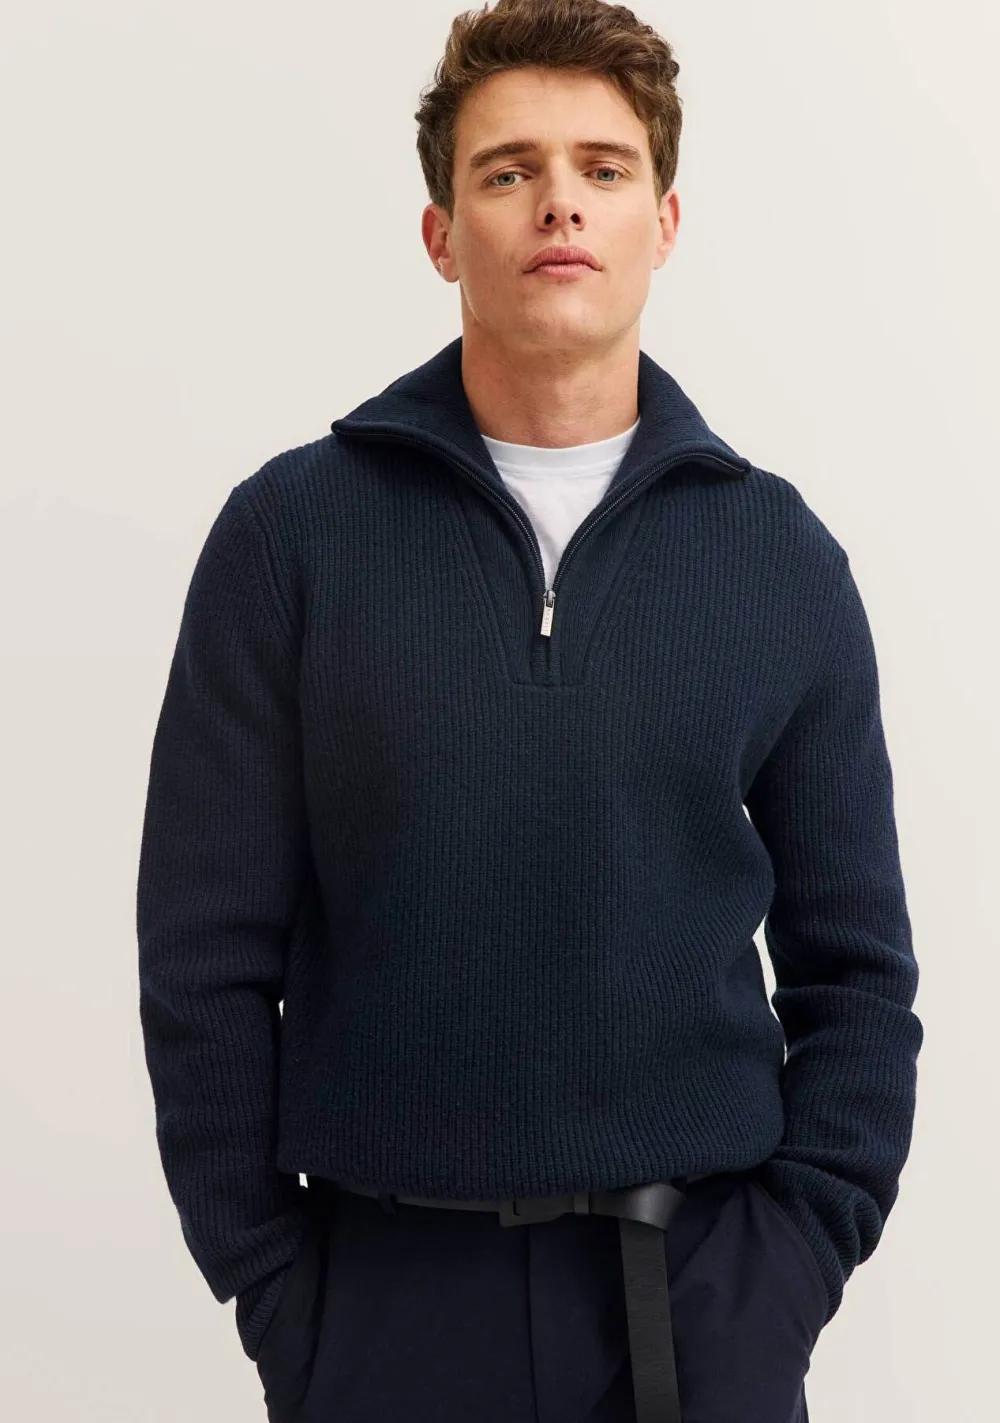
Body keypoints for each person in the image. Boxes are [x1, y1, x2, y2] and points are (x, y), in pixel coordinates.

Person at [135, 1, 923, 1420]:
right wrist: (278, 1286)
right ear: (441, 233)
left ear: (662, 223)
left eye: (602, 169)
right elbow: (203, 955)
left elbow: (857, 968)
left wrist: (793, 1260)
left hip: (700, 1305)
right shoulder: (291, 538)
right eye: (508, 170)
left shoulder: (776, 558)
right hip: (382, 1309)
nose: (559, 201)